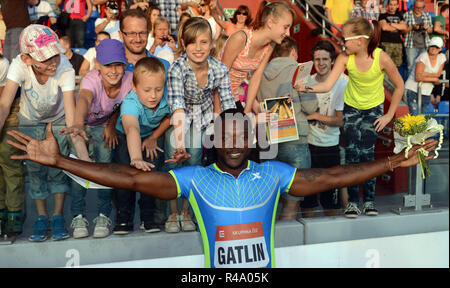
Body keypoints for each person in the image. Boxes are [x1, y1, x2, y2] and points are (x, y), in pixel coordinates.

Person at [6, 109, 438, 267]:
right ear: (214, 141)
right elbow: (133, 178)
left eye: (241, 135)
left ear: (250, 140)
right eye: (225, 135)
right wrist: (60, 159)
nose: (233, 143)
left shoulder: (270, 175)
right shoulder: (196, 179)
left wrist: (393, 162)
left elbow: (327, 178)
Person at [296, 17, 404, 218]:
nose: (342, 43)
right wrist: (306, 87)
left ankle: (369, 201)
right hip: (352, 109)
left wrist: (389, 115)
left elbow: (400, 86)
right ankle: (353, 203)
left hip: (373, 110)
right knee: (353, 157)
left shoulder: (381, 58)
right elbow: (327, 85)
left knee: (368, 155)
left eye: (345, 39)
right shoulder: (345, 58)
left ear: (360, 41)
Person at [0, 24, 76, 241]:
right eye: (45, 58)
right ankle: (41, 216)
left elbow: (70, 113)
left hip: (58, 120)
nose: (53, 62)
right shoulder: (18, 65)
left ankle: (58, 215)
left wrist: (77, 143)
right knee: (35, 170)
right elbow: (4, 105)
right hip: (29, 121)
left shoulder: (65, 67)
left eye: (55, 55)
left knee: (57, 167)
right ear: (27, 59)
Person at [166, 17, 236, 233]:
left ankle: (186, 212)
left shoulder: (219, 69)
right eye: (192, 43)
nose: (198, 48)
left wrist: (233, 135)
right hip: (180, 118)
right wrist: (179, 143)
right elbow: (177, 106)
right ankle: (171, 213)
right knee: (174, 162)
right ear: (184, 45)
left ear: (212, 44)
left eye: (203, 42)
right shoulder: (176, 68)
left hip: (205, 118)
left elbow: (228, 104)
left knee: (195, 160)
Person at [61, 39, 132, 238]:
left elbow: (126, 106)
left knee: (104, 167)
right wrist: (77, 123)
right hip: (81, 125)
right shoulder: (91, 79)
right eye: (108, 65)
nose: (114, 70)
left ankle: (103, 214)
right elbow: (84, 98)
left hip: (104, 128)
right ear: (98, 64)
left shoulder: (129, 79)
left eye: (118, 65)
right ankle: (78, 215)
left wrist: (110, 125)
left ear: (124, 65)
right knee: (79, 170)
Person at [256, 36, 318, 220]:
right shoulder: (298, 71)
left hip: (267, 136)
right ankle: (286, 242)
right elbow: (310, 107)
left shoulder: (260, 71)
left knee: (271, 198)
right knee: (292, 199)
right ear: (293, 52)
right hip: (295, 137)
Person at [114, 57, 171, 234]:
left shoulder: (169, 96)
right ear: (134, 87)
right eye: (147, 90)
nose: (153, 96)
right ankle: (124, 216)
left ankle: (148, 216)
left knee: (151, 174)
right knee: (125, 176)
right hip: (126, 136)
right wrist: (136, 157)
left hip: (152, 135)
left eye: (158, 89)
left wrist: (153, 137)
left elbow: (170, 117)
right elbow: (132, 129)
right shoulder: (130, 103)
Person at [219, 0, 295, 114]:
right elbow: (219, 77)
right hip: (212, 96)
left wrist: (247, 111)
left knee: (245, 128)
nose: (288, 33)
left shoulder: (270, 45)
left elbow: (257, 76)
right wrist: (216, 112)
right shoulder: (241, 38)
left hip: (232, 97)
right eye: (285, 27)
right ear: (270, 22)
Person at [301, 40, 347, 218]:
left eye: (325, 59)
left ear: (332, 61)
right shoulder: (306, 82)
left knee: (331, 204)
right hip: (308, 146)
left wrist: (316, 116)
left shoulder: (341, 84)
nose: (321, 63)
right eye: (317, 59)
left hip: (330, 147)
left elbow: (340, 121)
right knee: (308, 202)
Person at [0, 54, 25, 238]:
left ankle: (14, 214)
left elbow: (4, 102)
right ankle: (1, 212)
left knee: (10, 162)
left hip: (8, 111)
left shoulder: (3, 63)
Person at [405, 37, 446, 115]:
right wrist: (433, 79)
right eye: (432, 46)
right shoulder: (423, 56)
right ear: (428, 46)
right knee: (415, 117)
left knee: (423, 119)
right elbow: (417, 77)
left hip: (427, 92)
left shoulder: (442, 58)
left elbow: (437, 75)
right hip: (413, 89)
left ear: (440, 48)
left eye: (436, 47)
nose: (434, 49)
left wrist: (424, 74)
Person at [403, 0, 433, 77]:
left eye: (421, 8)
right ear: (413, 6)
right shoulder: (406, 15)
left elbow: (430, 31)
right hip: (411, 46)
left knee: (422, 68)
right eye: (417, 8)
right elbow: (403, 31)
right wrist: (412, 27)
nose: (419, 9)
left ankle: (419, 87)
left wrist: (426, 28)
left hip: (424, 46)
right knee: (410, 67)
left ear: (424, 7)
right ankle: (408, 88)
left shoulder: (427, 15)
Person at [379, 0, 407, 68]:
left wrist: (390, 24)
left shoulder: (400, 16)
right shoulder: (383, 15)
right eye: (391, 5)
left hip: (398, 44)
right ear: (388, 5)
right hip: (386, 43)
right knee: (385, 65)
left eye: (394, 5)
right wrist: (398, 27)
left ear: (397, 6)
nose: (392, 7)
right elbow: (384, 27)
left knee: (397, 66)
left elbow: (404, 27)